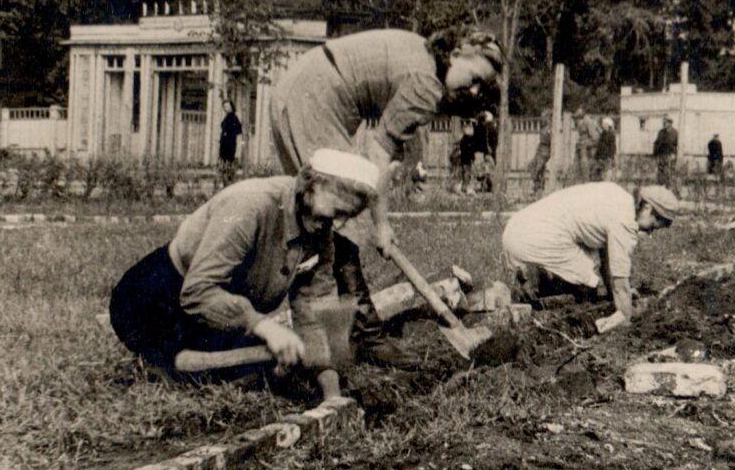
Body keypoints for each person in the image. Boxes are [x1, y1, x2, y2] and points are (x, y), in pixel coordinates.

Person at [269, 26, 503, 365]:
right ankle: (366, 337)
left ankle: (337, 335)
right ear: (456, 55)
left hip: (296, 86)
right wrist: (380, 224)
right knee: (341, 216)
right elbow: (377, 155)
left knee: (318, 221)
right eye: (475, 76)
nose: (474, 88)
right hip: (318, 97)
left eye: (482, 85)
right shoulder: (425, 84)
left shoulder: (421, 52)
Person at [108, 150, 378, 399]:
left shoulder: (319, 226)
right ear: (313, 184)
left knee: (272, 366)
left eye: (347, 216)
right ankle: (165, 364)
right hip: (155, 301)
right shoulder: (251, 205)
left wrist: (330, 387)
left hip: (216, 313)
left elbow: (314, 302)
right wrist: (262, 325)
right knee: (205, 376)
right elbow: (197, 292)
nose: (338, 224)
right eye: (338, 211)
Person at [501, 183, 679, 324]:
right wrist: (625, 317)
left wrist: (614, 294)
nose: (649, 233)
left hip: (517, 228)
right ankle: (537, 288)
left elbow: (608, 260)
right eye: (653, 226)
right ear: (647, 208)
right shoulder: (624, 221)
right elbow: (619, 279)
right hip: (532, 238)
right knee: (587, 281)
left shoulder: (618, 196)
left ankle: (533, 279)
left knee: (586, 270)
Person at [528, 110, 553, 194]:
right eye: (542, 117)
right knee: (532, 166)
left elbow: (552, 141)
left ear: (548, 117)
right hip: (540, 149)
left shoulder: (551, 128)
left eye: (544, 117)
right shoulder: (543, 127)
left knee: (538, 167)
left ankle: (539, 187)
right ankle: (538, 186)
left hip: (546, 150)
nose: (542, 119)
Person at [574, 107, 601, 182]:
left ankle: (585, 179)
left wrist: (585, 143)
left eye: (579, 112)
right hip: (581, 146)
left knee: (584, 162)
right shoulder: (580, 122)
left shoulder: (588, 121)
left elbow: (595, 138)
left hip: (587, 148)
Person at [218, 101, 242, 185]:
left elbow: (238, 131)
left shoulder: (234, 118)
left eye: (228, 106)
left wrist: (230, 136)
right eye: (224, 107)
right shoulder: (226, 117)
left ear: (232, 106)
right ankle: (224, 181)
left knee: (229, 164)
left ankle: (228, 182)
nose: (226, 108)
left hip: (230, 144)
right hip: (224, 144)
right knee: (223, 164)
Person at [652, 117, 678, 187]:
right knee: (660, 171)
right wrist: (655, 155)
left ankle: (668, 186)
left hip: (670, 155)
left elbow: (677, 145)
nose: (664, 124)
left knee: (669, 172)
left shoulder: (675, 133)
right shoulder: (661, 132)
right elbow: (656, 143)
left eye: (666, 122)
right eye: (664, 122)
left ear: (670, 123)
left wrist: (674, 154)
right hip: (661, 155)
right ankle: (660, 186)